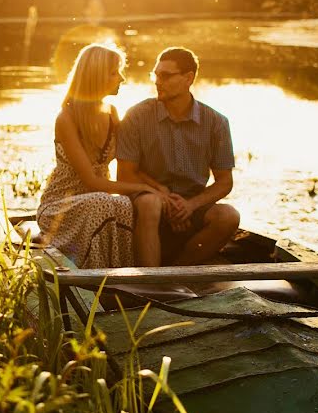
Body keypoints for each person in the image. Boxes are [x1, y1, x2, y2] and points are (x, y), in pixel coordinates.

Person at [36, 43, 160, 268]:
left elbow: (131, 164)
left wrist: (156, 188)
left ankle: (124, 274)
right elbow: (92, 183)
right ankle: (96, 277)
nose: (121, 78)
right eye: (114, 72)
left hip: (95, 203)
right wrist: (141, 188)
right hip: (59, 207)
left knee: (122, 204)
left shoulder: (112, 114)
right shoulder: (66, 118)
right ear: (96, 76)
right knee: (103, 201)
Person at [117, 46, 240, 266]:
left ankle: (178, 272)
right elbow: (126, 175)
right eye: (155, 75)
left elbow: (224, 182)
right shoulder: (136, 116)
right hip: (146, 201)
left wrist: (190, 206)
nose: (157, 81)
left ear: (188, 78)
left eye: (165, 75)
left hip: (192, 203)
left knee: (228, 216)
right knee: (150, 204)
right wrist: (163, 197)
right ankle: (152, 283)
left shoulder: (216, 122)